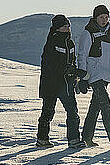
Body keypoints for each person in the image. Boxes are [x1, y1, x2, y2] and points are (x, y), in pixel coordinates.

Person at [76, 4, 110, 149]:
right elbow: (82, 55)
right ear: (95, 18)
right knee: (106, 106)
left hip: (106, 74)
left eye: (106, 17)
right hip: (94, 73)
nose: (104, 20)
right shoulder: (89, 32)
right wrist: (82, 75)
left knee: (96, 106)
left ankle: (86, 137)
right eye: (101, 17)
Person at [36, 14, 85, 149]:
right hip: (51, 83)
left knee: (72, 111)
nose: (68, 28)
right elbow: (49, 63)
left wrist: (74, 72)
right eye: (64, 26)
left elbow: (72, 61)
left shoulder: (70, 42)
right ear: (57, 28)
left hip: (66, 83)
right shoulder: (52, 42)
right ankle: (42, 139)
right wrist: (66, 69)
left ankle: (74, 140)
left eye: (68, 26)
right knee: (48, 112)